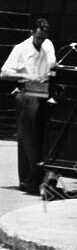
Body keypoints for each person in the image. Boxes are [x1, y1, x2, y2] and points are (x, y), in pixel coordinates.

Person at [1, 17, 56, 194]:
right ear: (32, 33)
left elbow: (52, 66)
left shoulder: (48, 46)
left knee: (42, 138)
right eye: (38, 38)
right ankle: (27, 180)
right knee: (27, 139)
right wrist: (27, 76)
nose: (40, 41)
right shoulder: (21, 49)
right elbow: (4, 73)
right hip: (27, 95)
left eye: (43, 38)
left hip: (43, 94)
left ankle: (39, 178)